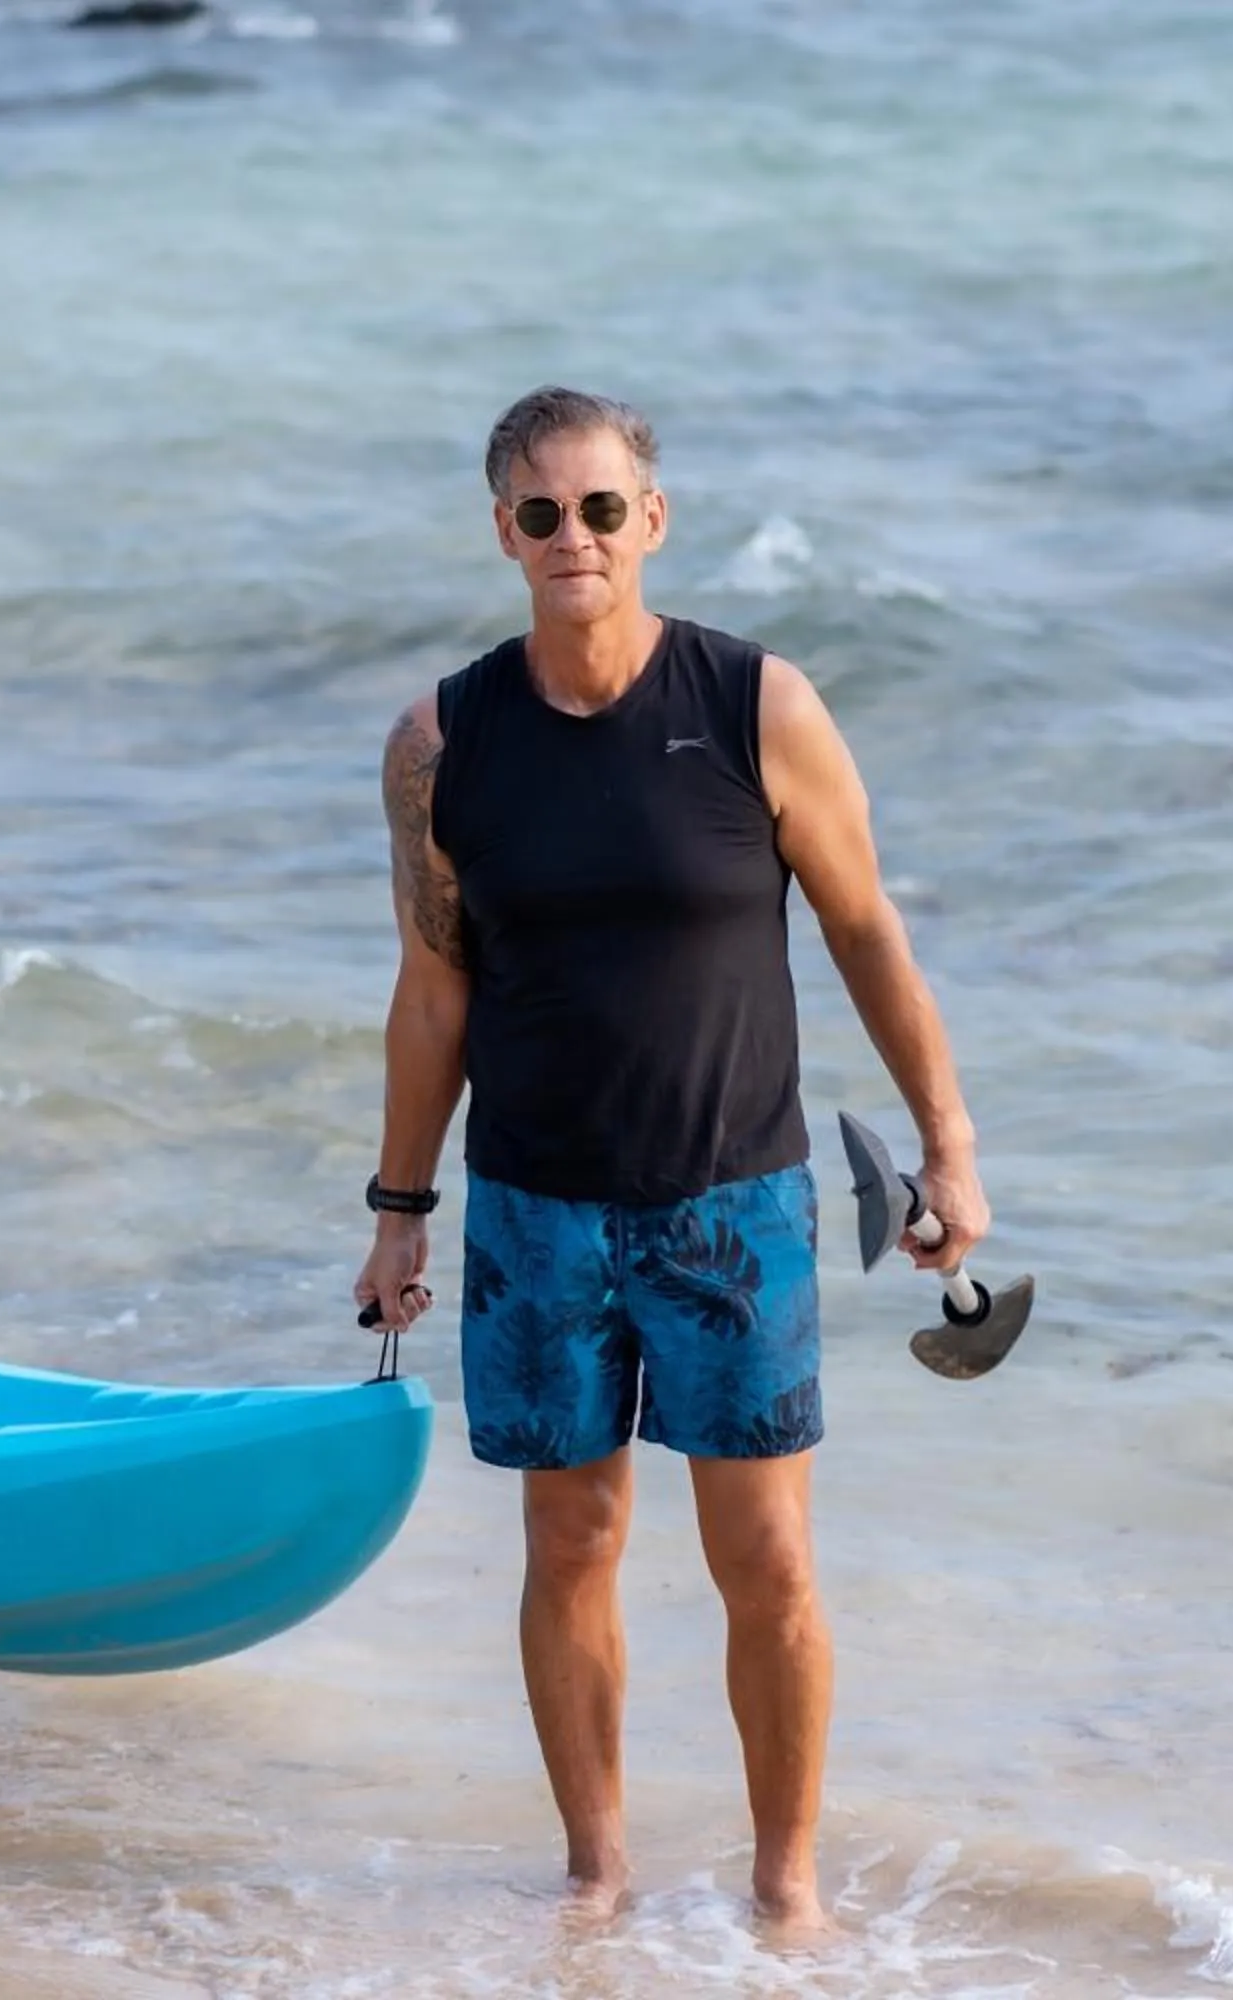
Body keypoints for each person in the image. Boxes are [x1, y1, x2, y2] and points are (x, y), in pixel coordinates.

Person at [352, 385, 989, 1937]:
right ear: (503, 533)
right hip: (535, 1211)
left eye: (600, 508)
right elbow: (434, 990)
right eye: (541, 513)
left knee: (765, 1560)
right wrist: (400, 1209)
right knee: (570, 1539)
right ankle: (596, 1873)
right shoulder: (442, 743)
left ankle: (788, 1887)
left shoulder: (758, 704)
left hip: (735, 1204)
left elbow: (864, 930)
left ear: (652, 520)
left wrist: (948, 1145)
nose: (573, 536)